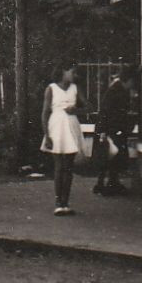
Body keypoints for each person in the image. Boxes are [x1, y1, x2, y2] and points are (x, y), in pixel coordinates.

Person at [41, 64, 84, 215]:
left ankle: (66, 203)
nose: (74, 74)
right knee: (59, 166)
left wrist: (76, 110)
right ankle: (58, 202)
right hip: (57, 127)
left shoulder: (75, 88)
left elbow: (89, 107)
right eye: (71, 71)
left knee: (69, 167)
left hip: (71, 127)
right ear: (63, 71)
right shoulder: (51, 88)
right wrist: (47, 135)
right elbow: (45, 113)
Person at [92, 64, 139, 195]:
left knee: (109, 156)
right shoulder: (118, 91)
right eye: (132, 81)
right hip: (112, 128)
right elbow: (109, 112)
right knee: (112, 156)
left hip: (111, 128)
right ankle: (109, 184)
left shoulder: (116, 89)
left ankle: (105, 183)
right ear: (128, 80)